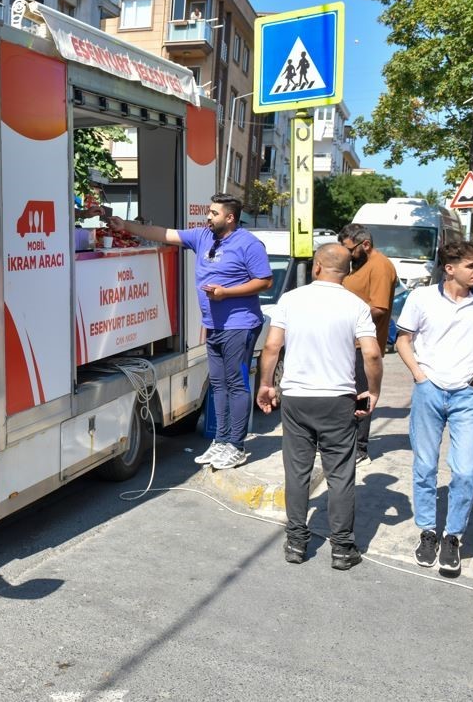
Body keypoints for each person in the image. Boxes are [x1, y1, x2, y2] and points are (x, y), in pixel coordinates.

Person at [107, 193, 272, 470]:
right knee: (218, 383)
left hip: (240, 324)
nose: (208, 216)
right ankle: (221, 441)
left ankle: (236, 446)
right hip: (214, 324)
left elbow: (265, 281)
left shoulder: (248, 244)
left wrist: (226, 293)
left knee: (235, 383)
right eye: (209, 211)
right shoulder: (203, 237)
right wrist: (125, 226)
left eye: (214, 213)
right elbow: (164, 233)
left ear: (230, 218)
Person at [256, 243, 381, 570]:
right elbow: (371, 353)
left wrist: (266, 384)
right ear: (348, 272)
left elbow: (272, 346)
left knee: (297, 471)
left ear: (316, 267)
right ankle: (342, 549)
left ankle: (296, 543)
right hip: (337, 399)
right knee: (340, 474)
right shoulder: (356, 305)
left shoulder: (290, 300)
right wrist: (373, 391)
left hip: (296, 398)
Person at [396, 241, 473, 575]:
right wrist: (419, 376)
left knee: (464, 470)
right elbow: (403, 340)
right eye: (471, 266)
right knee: (424, 466)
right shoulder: (421, 298)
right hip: (429, 391)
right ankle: (428, 531)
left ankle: (453, 537)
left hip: (468, 394)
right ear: (450, 269)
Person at [338, 223, 397, 463]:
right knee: (346, 395)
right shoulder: (359, 264)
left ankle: (359, 448)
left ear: (365, 244)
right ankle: (345, 442)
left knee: (362, 396)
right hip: (347, 343)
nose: (347, 255)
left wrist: (346, 324)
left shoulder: (380, 266)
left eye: (349, 250)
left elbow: (379, 308)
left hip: (363, 345)